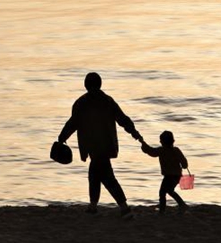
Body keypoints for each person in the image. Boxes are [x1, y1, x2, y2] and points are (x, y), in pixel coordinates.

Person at [57, 72, 143, 219]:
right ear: (100, 84)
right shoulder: (107, 101)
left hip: (91, 145)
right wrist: (134, 133)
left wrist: (62, 137)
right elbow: (123, 119)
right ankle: (93, 206)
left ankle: (124, 208)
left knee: (107, 177)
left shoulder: (81, 103)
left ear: (85, 85)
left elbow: (72, 123)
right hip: (106, 143)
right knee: (95, 174)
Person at [141, 130, 188, 213]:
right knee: (169, 190)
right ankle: (181, 204)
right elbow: (184, 164)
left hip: (169, 176)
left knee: (162, 192)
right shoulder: (176, 150)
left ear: (162, 142)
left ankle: (163, 210)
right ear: (173, 141)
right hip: (177, 175)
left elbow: (151, 152)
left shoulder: (161, 150)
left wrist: (143, 145)